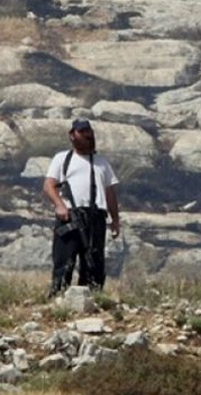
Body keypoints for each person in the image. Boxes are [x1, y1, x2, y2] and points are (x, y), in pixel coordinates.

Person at [43, 118, 120, 296]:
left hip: (95, 217)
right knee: (64, 262)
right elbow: (49, 185)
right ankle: (58, 298)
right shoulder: (62, 159)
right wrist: (59, 205)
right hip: (69, 216)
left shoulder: (102, 162)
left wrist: (115, 220)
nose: (86, 135)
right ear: (72, 135)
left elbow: (110, 193)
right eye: (82, 131)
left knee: (94, 263)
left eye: (88, 131)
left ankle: (91, 298)